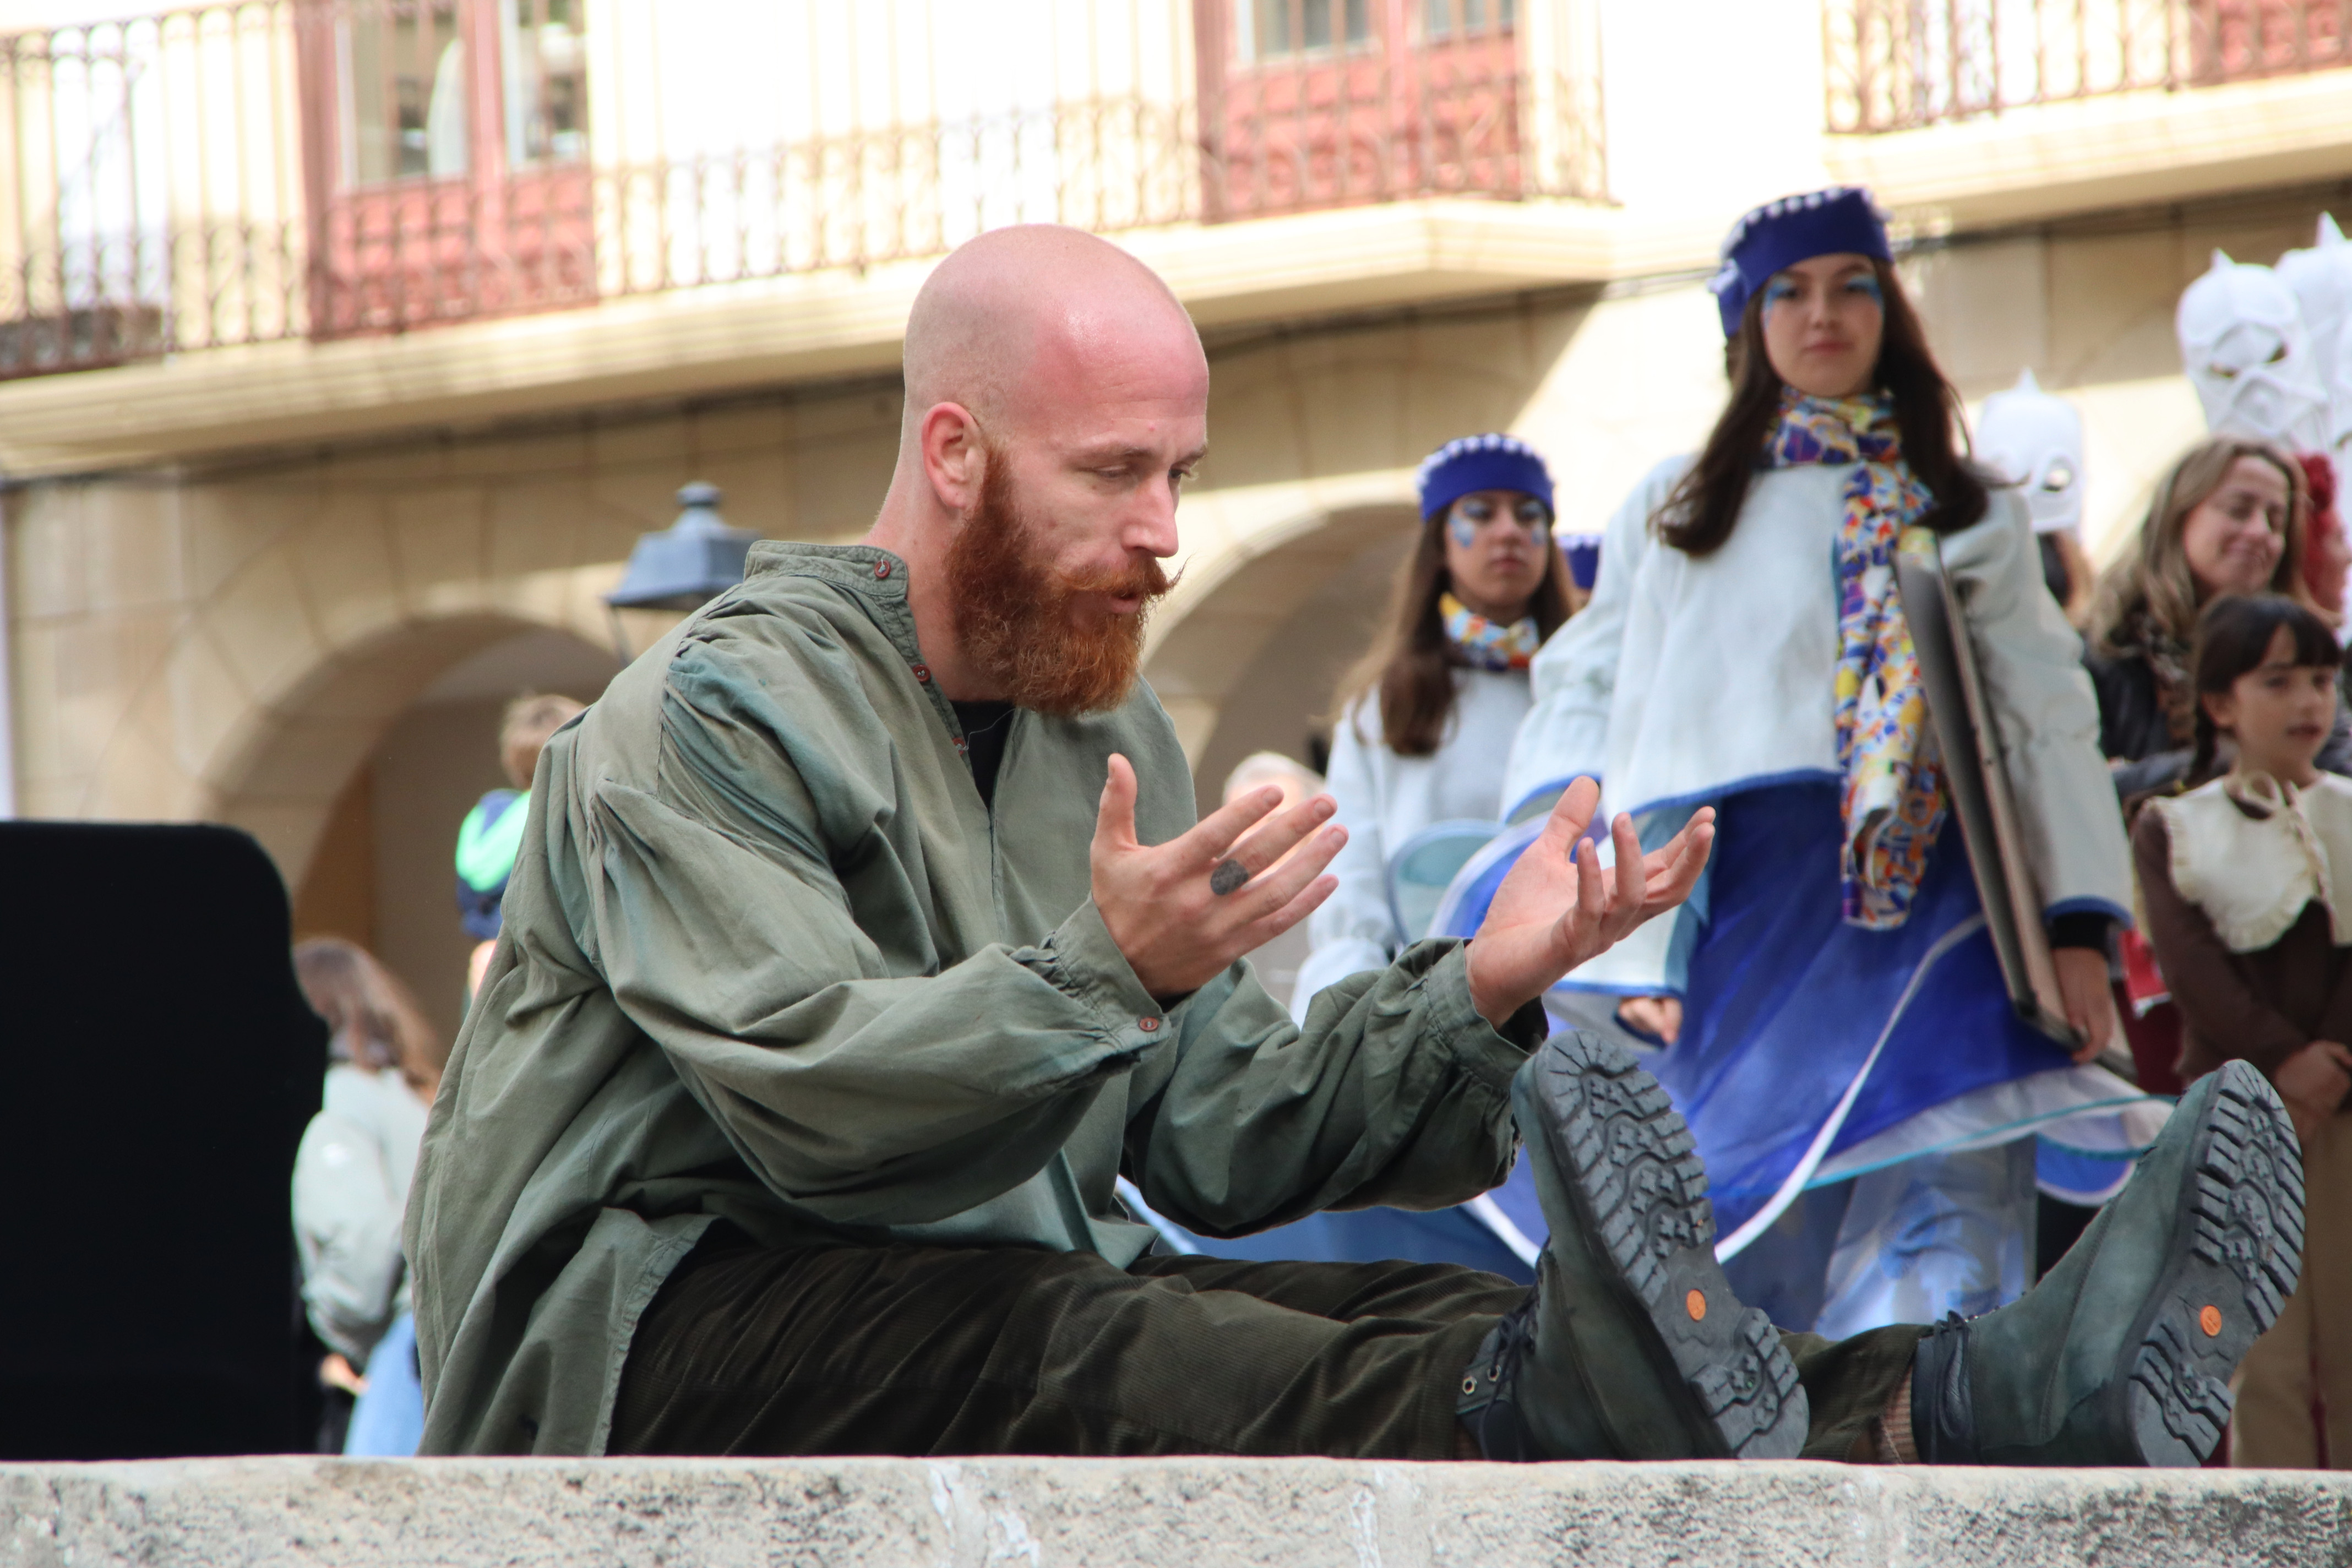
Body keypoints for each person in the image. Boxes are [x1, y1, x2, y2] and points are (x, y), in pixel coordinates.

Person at [407, 222, 2299, 1472]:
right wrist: (1108, 973)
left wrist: (1481, 982)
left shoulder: (1094, 731)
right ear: (960, 451)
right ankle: (1661, 1400)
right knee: (1123, 1345)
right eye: (1114, 475)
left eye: (1183, 475)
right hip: (655, 1326)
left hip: (968, 1292)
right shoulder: (705, 719)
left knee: (1470, 1316)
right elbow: (824, 1108)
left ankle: (1959, 1396)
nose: (1164, 533)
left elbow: (1220, 1139)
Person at [1496, 187, 2151, 1339]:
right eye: (1788, 292)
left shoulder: (1968, 508)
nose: (1823, 314)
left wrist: (2079, 926)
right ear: (1747, 325)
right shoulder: (1676, 504)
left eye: (1854, 283)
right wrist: (1612, 923)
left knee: (1948, 1193)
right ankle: (1777, 1462)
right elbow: (1593, 700)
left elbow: (2046, 716)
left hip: (1939, 899)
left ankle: (1927, 1428)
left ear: (1891, 309)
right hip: (1733, 902)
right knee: (1750, 1225)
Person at [2131, 593, 2347, 1468]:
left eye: (2324, 681)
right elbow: (2194, 972)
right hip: (2240, 1119)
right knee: (2262, 1346)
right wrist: (2285, 1061)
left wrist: (2330, 1060)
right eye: (2280, 681)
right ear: (2222, 702)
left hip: (2343, 1111)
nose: (2310, 703)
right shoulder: (2176, 827)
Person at [2084, 437, 2346, 803]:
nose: (2260, 533)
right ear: (2179, 515)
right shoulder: (2104, 653)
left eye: (2275, 520)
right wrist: (2235, 762)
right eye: (2239, 510)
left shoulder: (2302, 646)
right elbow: (2079, 794)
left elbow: (2337, 765)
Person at [290, 937, 445, 1454]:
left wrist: (332, 1335)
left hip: (400, 1357)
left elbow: (362, 1247)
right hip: (447, 1341)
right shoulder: (414, 1091)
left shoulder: (336, 1099)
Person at [454, 694, 585, 999]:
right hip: (548, 969)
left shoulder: (488, 814)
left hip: (489, 966)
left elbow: (467, 898)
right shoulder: (563, 811)